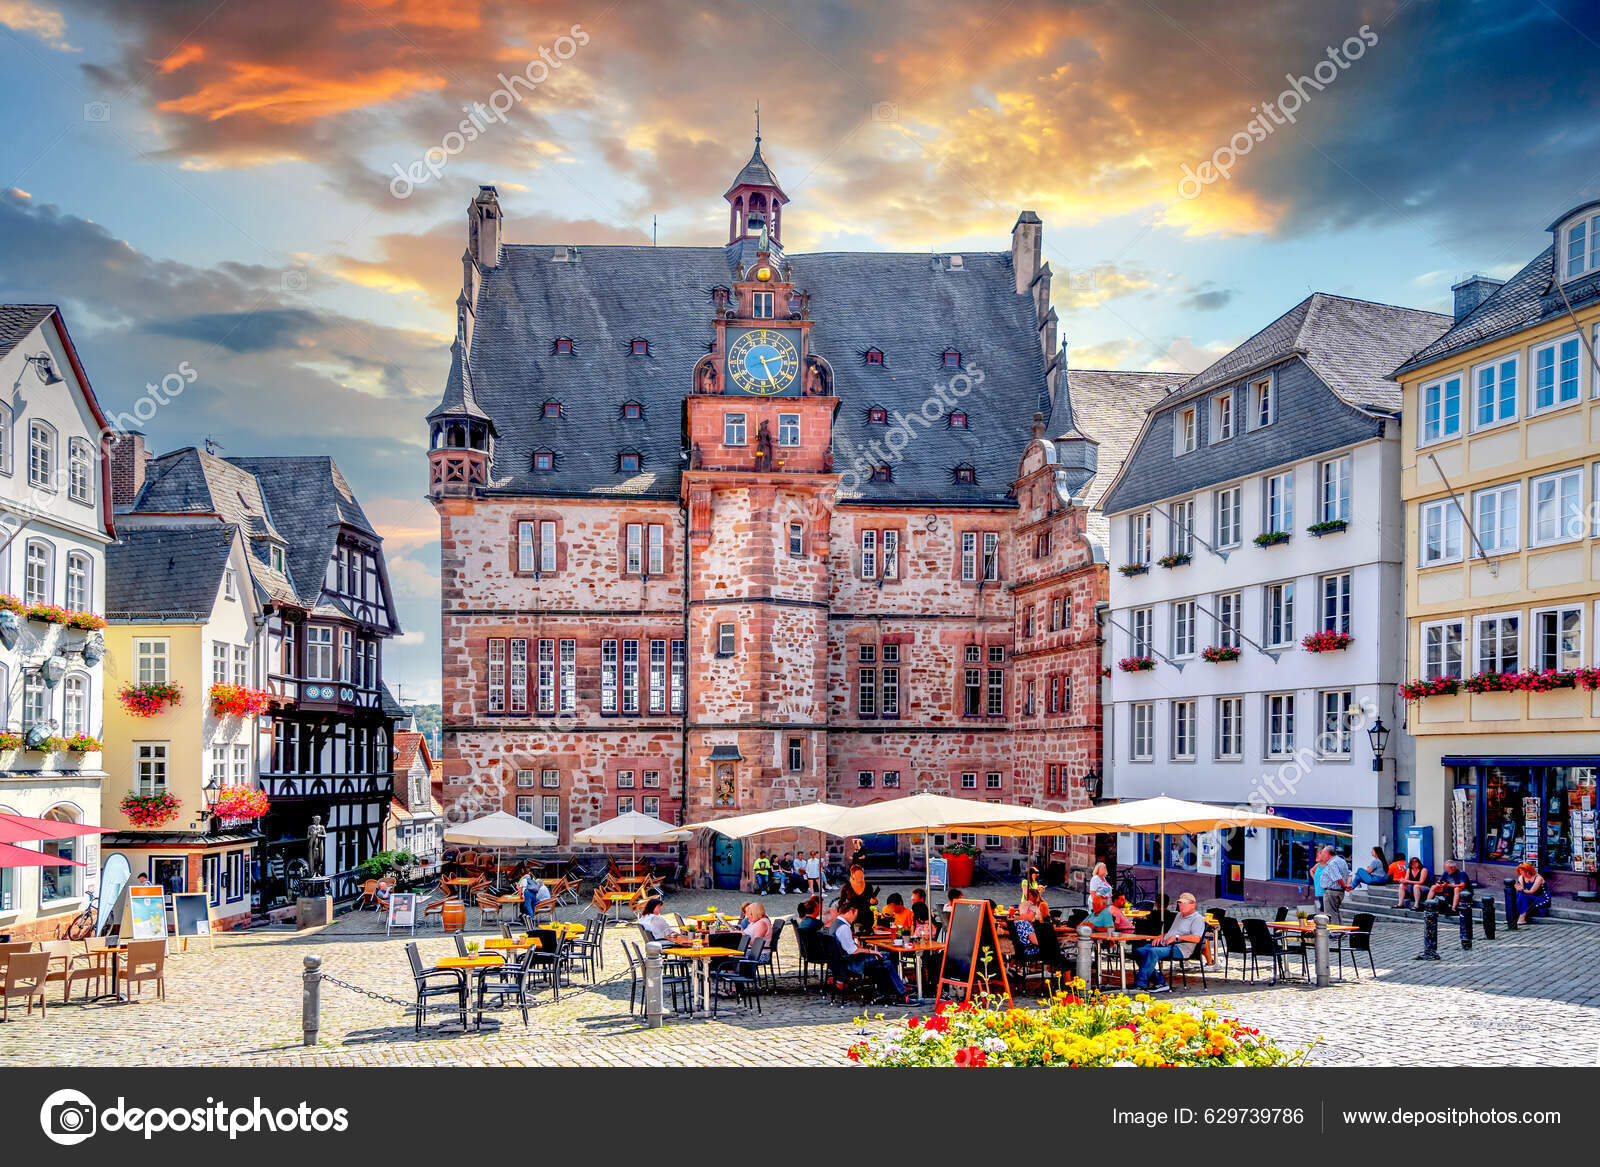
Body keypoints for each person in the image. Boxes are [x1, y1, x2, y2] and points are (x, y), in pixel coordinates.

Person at [834, 903, 916, 1005]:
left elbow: (848, 947)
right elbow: (852, 950)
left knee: (885, 963)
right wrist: (869, 951)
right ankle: (902, 996)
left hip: (841, 963)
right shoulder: (844, 928)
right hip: (851, 964)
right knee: (886, 955)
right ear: (851, 912)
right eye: (855, 914)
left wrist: (864, 949)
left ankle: (890, 993)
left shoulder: (835, 924)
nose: (855, 918)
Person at [1131, 892, 1206, 992]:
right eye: (1179, 903)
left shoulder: (1197, 919)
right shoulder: (1179, 915)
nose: (1181, 905)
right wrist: (1161, 936)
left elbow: (1197, 938)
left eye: (1184, 903)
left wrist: (1177, 937)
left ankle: (1140, 983)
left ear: (1193, 904)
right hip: (1167, 944)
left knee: (1152, 952)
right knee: (1139, 951)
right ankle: (1160, 982)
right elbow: (1172, 932)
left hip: (1181, 949)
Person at [1318, 845, 1352, 923]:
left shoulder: (1332, 863)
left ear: (1327, 853)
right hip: (1339, 891)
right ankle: (1340, 931)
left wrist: (1344, 886)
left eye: (1322, 853)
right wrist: (1346, 885)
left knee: (1330, 914)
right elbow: (1349, 873)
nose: (1322, 855)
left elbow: (1338, 877)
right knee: (1336, 912)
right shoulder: (1341, 860)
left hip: (1332, 892)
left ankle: (1334, 933)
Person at [837, 865, 876, 932]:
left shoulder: (868, 886)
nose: (860, 876)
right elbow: (841, 902)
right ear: (852, 875)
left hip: (866, 916)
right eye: (857, 874)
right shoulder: (847, 887)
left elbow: (872, 900)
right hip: (852, 917)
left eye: (861, 874)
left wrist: (874, 902)